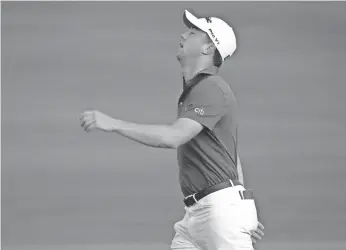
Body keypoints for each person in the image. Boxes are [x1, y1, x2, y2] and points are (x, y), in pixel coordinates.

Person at [80, 9, 264, 250]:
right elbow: (231, 153)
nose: (183, 35)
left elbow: (173, 137)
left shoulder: (212, 88)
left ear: (209, 48)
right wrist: (241, 206)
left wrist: (113, 124)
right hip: (201, 216)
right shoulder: (198, 90)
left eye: (193, 32)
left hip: (218, 213)